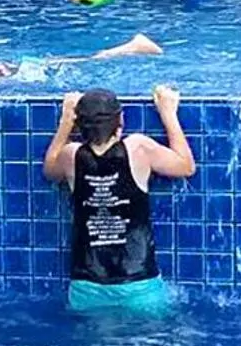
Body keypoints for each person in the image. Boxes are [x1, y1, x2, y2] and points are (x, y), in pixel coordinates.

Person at [42, 86, 195, 317]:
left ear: (79, 123)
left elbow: (49, 170)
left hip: (87, 289)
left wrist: (64, 122)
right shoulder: (138, 148)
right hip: (139, 287)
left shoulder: (70, 156)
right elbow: (186, 166)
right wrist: (168, 114)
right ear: (120, 121)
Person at [0, 28, 163, 87]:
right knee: (75, 61)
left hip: (16, 74)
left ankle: (133, 47)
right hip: (15, 68)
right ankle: (131, 47)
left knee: (85, 62)